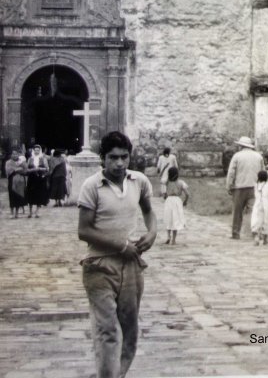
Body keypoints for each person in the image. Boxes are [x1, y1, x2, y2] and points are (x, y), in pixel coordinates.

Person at [78, 131, 157, 378]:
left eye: (124, 157)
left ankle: (115, 374)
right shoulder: (92, 186)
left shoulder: (139, 181)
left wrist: (152, 232)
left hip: (131, 265)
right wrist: (120, 246)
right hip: (99, 266)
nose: (120, 163)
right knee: (108, 331)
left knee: (130, 331)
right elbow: (84, 230)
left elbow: (148, 211)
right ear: (103, 158)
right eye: (113, 158)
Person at [225, 135, 264, 239]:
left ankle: (235, 233)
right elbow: (263, 172)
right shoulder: (258, 156)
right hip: (254, 187)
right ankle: (255, 233)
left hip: (239, 187)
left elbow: (231, 173)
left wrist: (229, 185)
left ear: (241, 146)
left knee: (237, 211)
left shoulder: (237, 156)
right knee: (254, 211)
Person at [162, 165, 189, 245]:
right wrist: (185, 201)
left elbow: (164, 192)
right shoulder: (181, 183)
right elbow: (187, 194)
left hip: (169, 200)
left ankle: (168, 237)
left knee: (168, 218)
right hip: (177, 201)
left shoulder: (167, 182)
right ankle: (173, 240)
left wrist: (165, 195)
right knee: (175, 219)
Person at [251, 169, 268, 245]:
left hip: (257, 204)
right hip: (267, 204)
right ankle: (265, 239)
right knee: (266, 220)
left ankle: (256, 238)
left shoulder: (256, 185)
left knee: (257, 220)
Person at [26, 144, 50, 217]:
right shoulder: (30, 159)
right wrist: (32, 170)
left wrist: (39, 169)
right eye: (35, 150)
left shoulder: (43, 159)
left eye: (38, 150)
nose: (36, 151)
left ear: (40, 151)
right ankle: (30, 212)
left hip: (40, 179)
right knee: (31, 194)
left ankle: (37, 211)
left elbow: (47, 169)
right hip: (32, 178)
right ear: (33, 151)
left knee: (39, 195)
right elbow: (26, 169)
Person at [5, 149, 27, 218]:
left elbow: (25, 170)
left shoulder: (21, 162)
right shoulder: (8, 162)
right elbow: (8, 171)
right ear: (11, 155)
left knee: (18, 196)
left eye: (16, 154)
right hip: (11, 181)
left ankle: (17, 213)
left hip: (20, 181)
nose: (15, 155)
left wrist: (18, 169)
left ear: (18, 155)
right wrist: (17, 169)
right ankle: (12, 212)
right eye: (13, 154)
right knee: (12, 196)